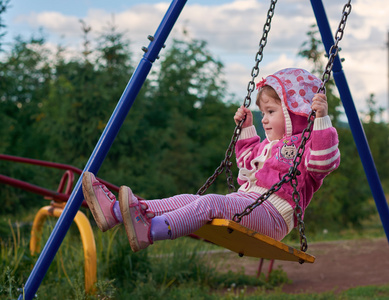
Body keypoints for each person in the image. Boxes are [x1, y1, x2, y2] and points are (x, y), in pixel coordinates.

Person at [82, 67, 340, 253]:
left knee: (210, 202)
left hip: (273, 216)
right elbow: (246, 168)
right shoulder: (268, 146)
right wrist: (247, 128)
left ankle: (149, 231)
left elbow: (323, 162)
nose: (264, 118)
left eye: (271, 112)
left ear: (295, 113)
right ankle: (116, 212)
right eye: (263, 112)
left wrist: (321, 120)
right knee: (190, 199)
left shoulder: (308, 145)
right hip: (247, 203)